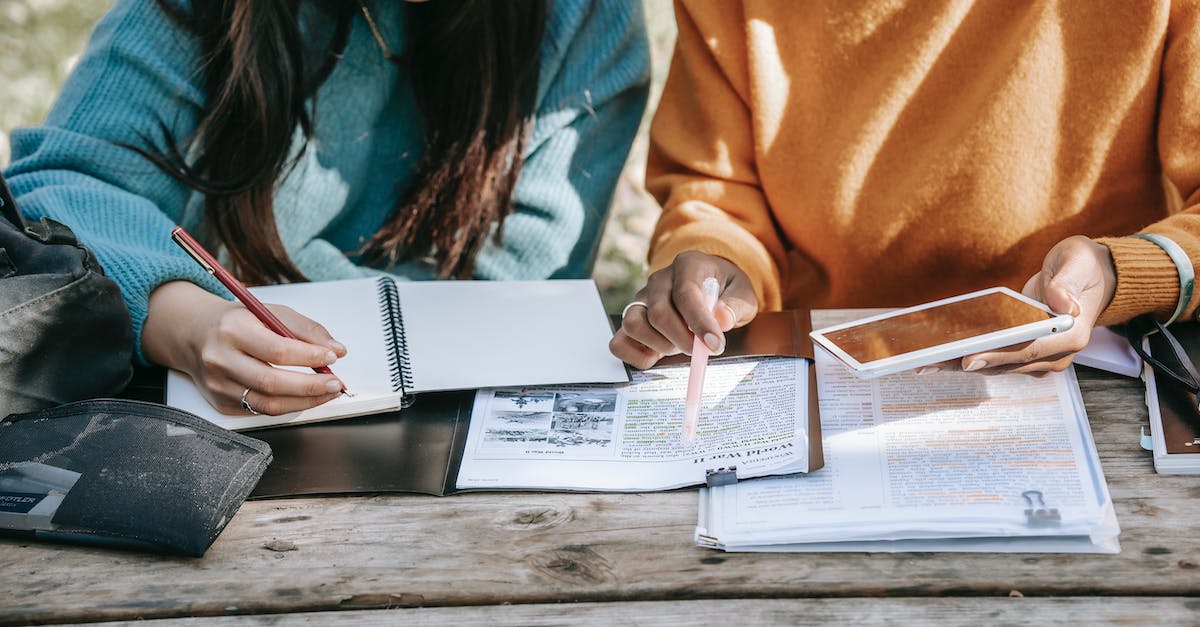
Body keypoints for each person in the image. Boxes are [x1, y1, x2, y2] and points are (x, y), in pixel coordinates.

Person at [5, 0, 650, 415]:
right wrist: (188, 323)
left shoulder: (586, 19)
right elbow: (61, 188)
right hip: (204, 425)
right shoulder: (212, 13)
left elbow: (523, 286)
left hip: (457, 430)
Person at [611, 0, 1200, 375]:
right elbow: (716, 187)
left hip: (1099, 371)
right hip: (820, 369)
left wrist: (1122, 272)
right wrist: (716, 266)